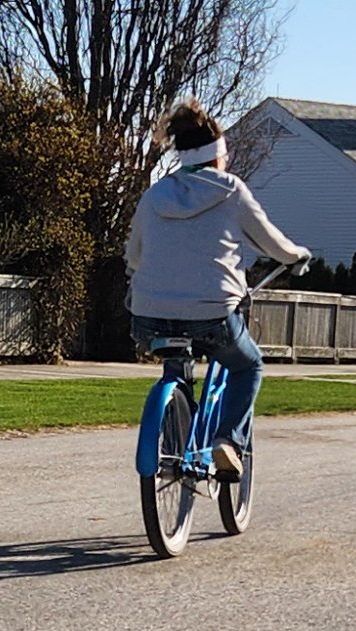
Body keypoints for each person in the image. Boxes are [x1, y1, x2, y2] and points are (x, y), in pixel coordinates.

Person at [125, 103, 307, 488]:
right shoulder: (231, 191)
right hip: (213, 315)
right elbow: (272, 243)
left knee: (175, 361)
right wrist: (297, 257)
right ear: (218, 156)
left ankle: (174, 437)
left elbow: (134, 255)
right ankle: (228, 441)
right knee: (248, 365)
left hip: (149, 316)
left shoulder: (154, 195)